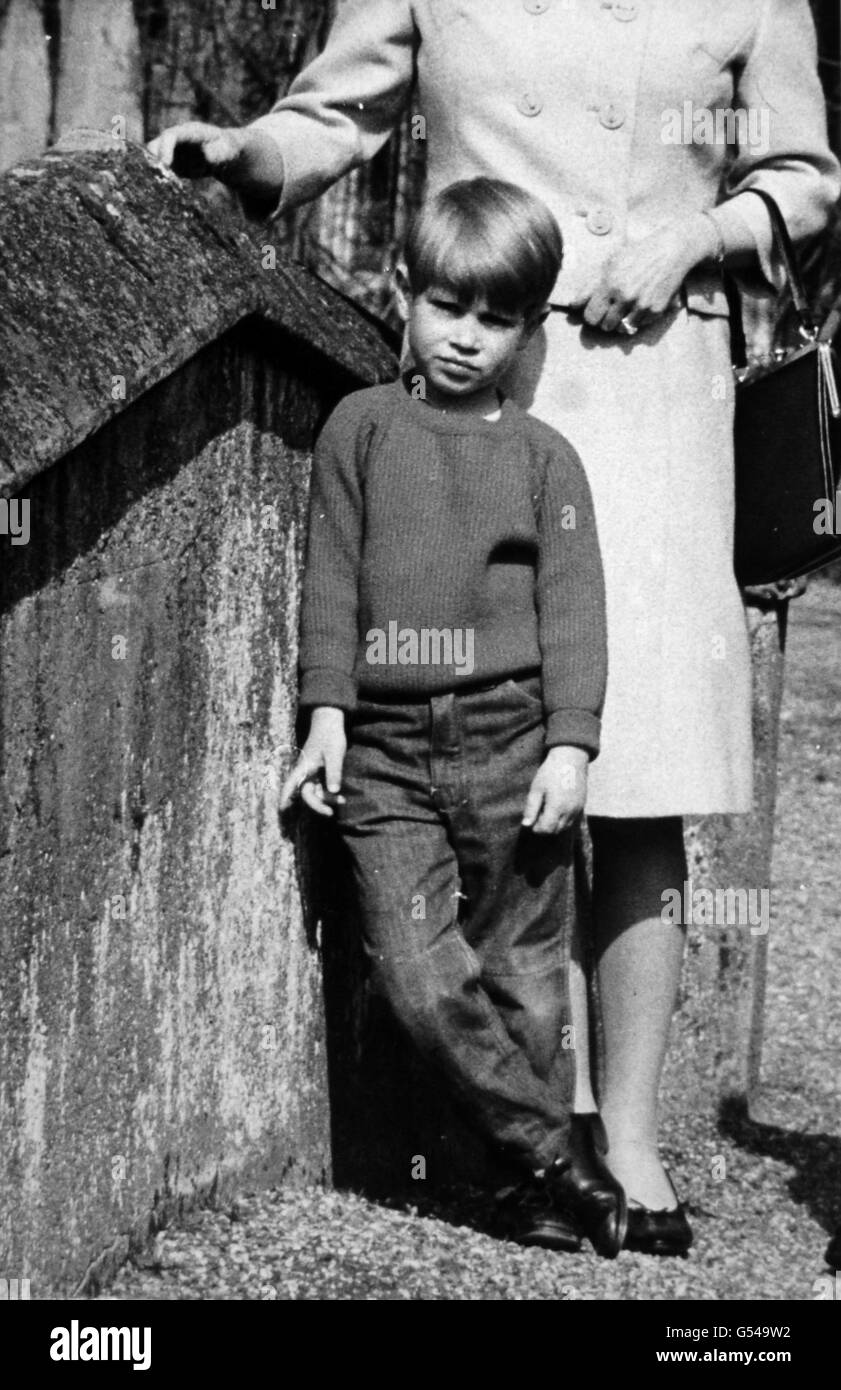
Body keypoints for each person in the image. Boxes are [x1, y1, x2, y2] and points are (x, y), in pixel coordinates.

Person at [150, 0, 841, 1256]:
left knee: (639, 775)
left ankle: (623, 1130)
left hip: (650, 385)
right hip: (480, 372)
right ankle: (530, 1121)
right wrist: (247, 156)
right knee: (484, 763)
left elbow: (799, 183)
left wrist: (693, 236)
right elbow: (335, 114)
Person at [277, 175, 626, 1256]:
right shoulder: (360, 428)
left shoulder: (542, 459)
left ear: (529, 327)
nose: (467, 338)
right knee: (416, 968)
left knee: (523, 971)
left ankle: (510, 1186)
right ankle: (549, 1144)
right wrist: (325, 713)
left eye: (497, 317)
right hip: (381, 750)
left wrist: (571, 740)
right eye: (447, 307)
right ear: (403, 291)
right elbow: (330, 576)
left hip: (510, 735)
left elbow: (574, 606)